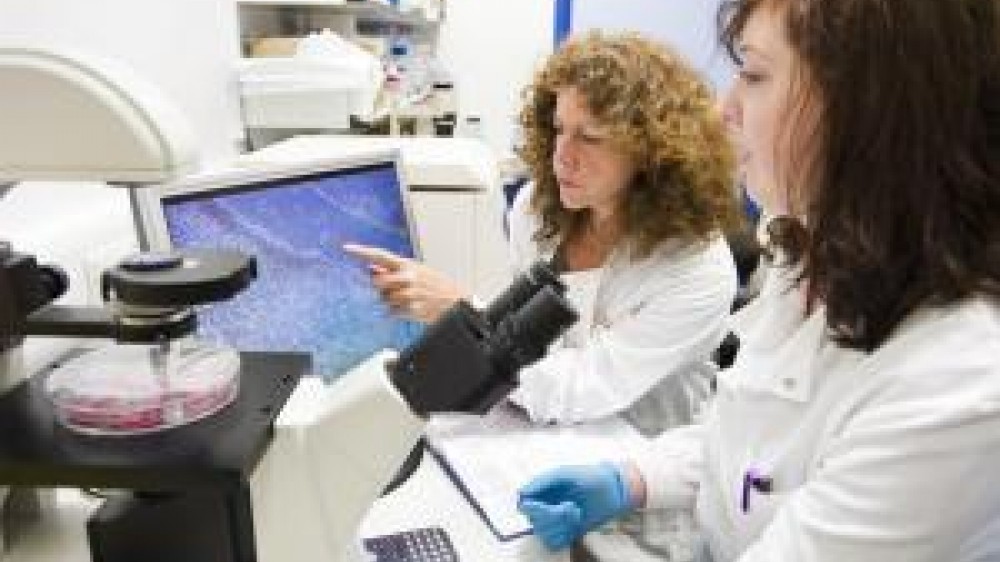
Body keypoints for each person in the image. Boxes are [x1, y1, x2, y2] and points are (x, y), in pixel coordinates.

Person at [516, 0, 1000, 560]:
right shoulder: (813, 258)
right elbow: (748, 444)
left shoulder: (953, 381)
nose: (724, 110)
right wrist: (632, 479)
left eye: (753, 74)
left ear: (871, 110)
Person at [346, 31, 742, 560]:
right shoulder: (537, 208)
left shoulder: (696, 266)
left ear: (652, 151)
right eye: (558, 129)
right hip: (534, 442)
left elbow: (583, 390)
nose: (563, 157)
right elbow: (522, 335)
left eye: (591, 137)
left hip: (638, 489)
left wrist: (463, 316)